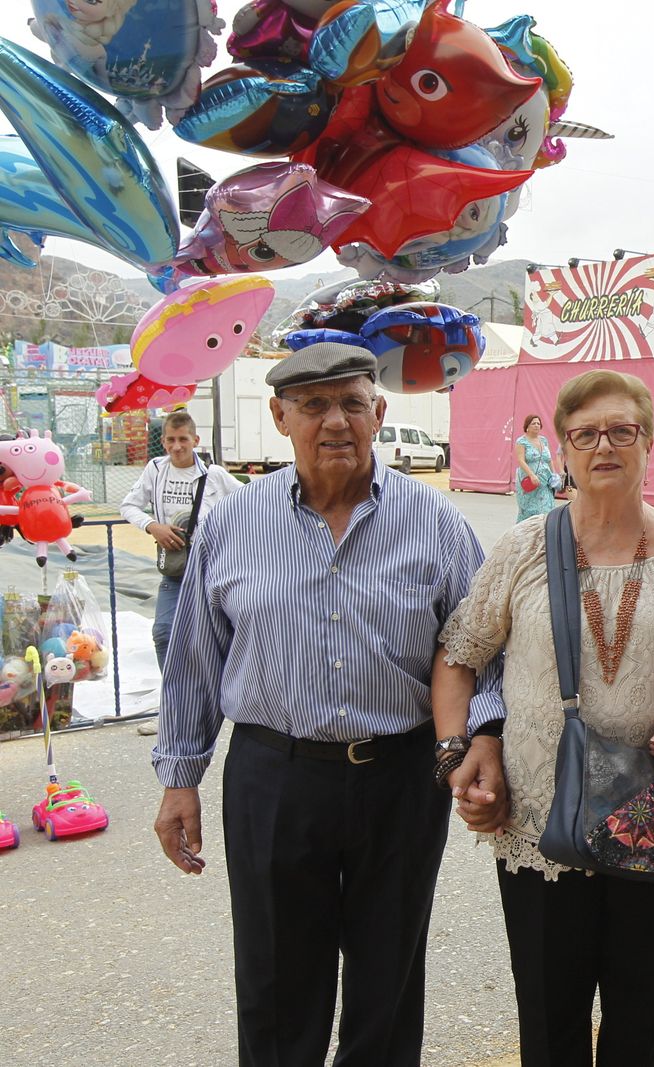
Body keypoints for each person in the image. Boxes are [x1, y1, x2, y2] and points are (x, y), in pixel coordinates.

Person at [150, 342, 503, 1067]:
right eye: (313, 405)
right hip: (273, 776)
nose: (334, 420)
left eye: (351, 402)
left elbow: (482, 651)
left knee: (389, 982)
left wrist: (481, 740)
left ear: (379, 411)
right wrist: (179, 776)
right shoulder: (233, 523)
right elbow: (193, 660)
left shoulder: (436, 524)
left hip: (401, 776)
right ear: (280, 417)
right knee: (276, 981)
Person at [432, 369, 654, 1067]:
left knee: (639, 1011)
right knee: (550, 1015)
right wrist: (456, 752)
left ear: (650, 440)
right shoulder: (525, 547)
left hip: (653, 818)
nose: (604, 446)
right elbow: (458, 654)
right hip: (537, 818)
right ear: (563, 447)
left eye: (622, 430)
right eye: (585, 434)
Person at [119, 410, 242, 671]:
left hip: (213, 571)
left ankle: (223, 695)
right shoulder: (155, 469)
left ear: (195, 440)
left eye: (183, 439)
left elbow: (249, 501)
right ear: (163, 441)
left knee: (220, 637)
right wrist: (153, 526)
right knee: (164, 632)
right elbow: (128, 506)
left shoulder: (214, 475)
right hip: (176, 570)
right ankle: (174, 693)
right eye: (171, 440)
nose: (177, 447)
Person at [514, 413, 558, 521]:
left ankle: (544, 534)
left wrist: (554, 475)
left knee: (545, 509)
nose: (537, 425)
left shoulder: (543, 440)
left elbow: (548, 460)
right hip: (529, 481)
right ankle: (524, 535)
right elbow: (521, 460)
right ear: (527, 426)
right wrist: (532, 475)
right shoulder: (521, 441)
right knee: (528, 512)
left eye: (538, 423)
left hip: (545, 481)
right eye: (533, 423)